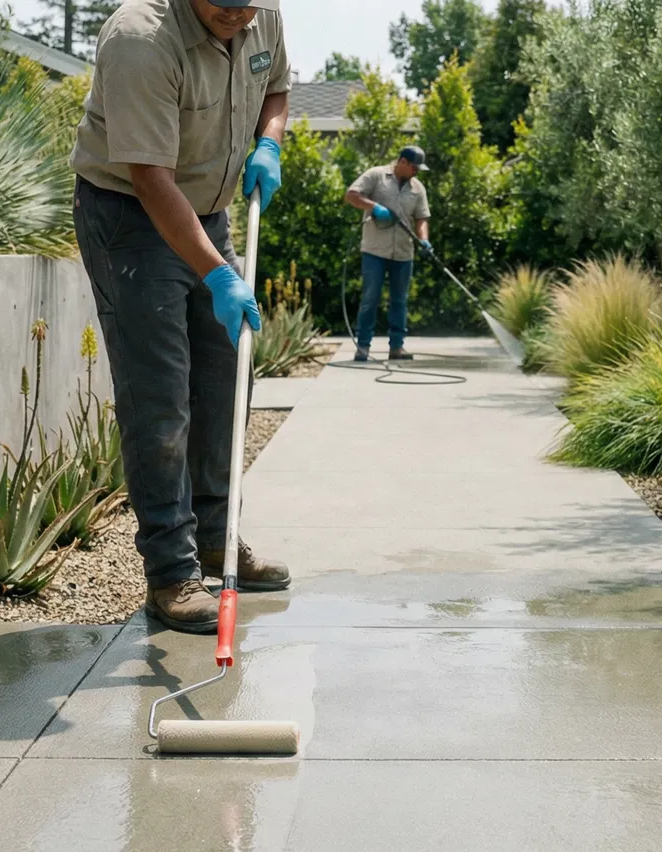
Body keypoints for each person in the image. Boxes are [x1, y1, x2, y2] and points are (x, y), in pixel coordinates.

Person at [71, 0, 293, 634]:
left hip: (208, 210)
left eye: (246, 4)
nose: (236, 14)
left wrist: (268, 144)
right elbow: (148, 176)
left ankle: (220, 541)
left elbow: (275, 87)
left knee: (227, 377)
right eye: (223, 3)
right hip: (131, 214)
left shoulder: (260, 14)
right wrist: (218, 273)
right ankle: (171, 573)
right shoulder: (140, 40)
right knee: (160, 395)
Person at [343, 146, 433, 362]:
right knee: (370, 298)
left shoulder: (417, 188)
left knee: (399, 301)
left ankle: (397, 348)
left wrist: (424, 239)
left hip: (403, 253)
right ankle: (363, 347)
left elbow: (421, 218)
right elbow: (351, 195)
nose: (416, 172)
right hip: (374, 250)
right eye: (413, 167)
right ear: (402, 162)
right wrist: (374, 208)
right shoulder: (376, 175)